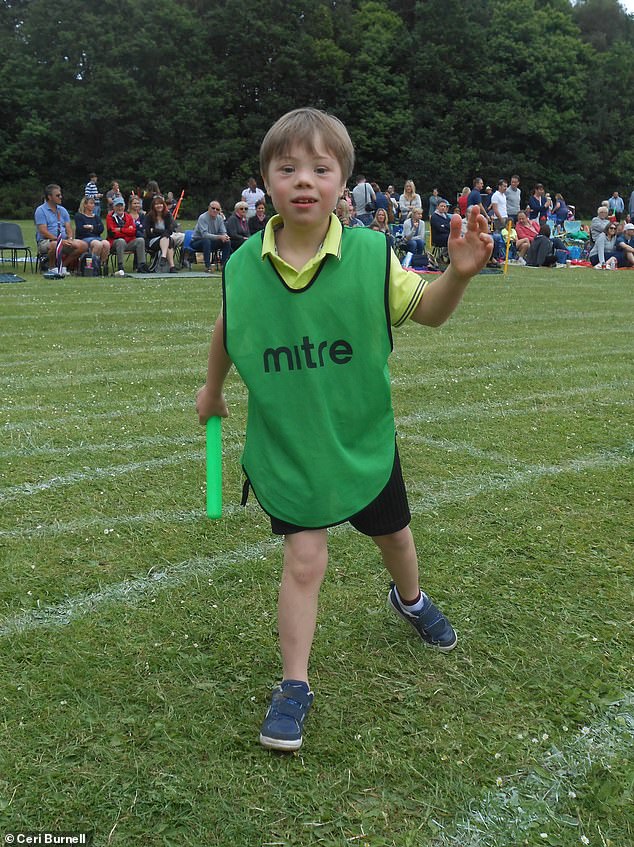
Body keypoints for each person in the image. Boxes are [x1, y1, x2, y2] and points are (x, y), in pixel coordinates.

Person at [196, 107, 492, 753]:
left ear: (343, 184)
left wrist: (459, 275)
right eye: (288, 168)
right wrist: (213, 389)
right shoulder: (244, 263)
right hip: (291, 445)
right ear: (266, 182)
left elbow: (429, 312)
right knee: (304, 560)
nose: (305, 179)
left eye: (320, 168)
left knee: (395, 538)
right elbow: (229, 325)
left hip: (362, 442)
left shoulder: (369, 253)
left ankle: (409, 599)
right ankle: (294, 683)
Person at [34, 183, 88, 273]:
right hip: (46, 241)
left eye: (60, 195)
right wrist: (59, 240)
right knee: (55, 245)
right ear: (50, 197)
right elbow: (43, 231)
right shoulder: (40, 210)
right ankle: (52, 267)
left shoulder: (62, 210)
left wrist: (70, 238)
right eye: (57, 195)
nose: (61, 197)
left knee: (83, 245)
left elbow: (69, 227)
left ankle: (63, 266)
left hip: (64, 240)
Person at [107, 196, 149, 275]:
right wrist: (127, 230)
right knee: (121, 241)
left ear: (124, 206)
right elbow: (112, 233)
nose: (120, 208)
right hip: (115, 243)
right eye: (117, 206)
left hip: (129, 241)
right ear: (114, 207)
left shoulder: (128, 216)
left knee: (140, 240)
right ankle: (120, 266)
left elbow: (133, 231)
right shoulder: (110, 216)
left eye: (121, 206)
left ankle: (141, 265)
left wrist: (121, 229)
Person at [190, 200, 232, 271]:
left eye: (217, 209)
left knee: (227, 241)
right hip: (197, 241)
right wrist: (219, 237)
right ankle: (208, 266)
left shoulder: (219, 218)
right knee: (206, 241)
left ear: (219, 211)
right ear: (209, 208)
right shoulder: (203, 217)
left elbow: (223, 231)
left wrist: (225, 236)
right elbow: (204, 235)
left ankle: (224, 265)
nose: (215, 210)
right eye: (213, 208)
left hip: (212, 241)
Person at [74, 196, 110, 269]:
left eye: (94, 203)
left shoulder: (96, 217)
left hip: (96, 237)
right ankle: (92, 266)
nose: (93, 205)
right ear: (85, 205)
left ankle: (102, 265)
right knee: (97, 244)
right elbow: (80, 230)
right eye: (91, 203)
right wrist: (94, 229)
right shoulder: (79, 216)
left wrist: (91, 227)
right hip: (84, 238)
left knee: (106, 243)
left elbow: (101, 229)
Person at [144, 194, 177, 273]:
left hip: (165, 239)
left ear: (163, 205)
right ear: (153, 206)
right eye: (156, 204)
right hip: (152, 241)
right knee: (167, 238)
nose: (159, 206)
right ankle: (171, 266)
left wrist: (155, 230)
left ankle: (165, 258)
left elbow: (170, 230)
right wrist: (162, 232)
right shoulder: (149, 216)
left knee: (167, 239)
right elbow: (148, 233)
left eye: (161, 204)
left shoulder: (167, 215)